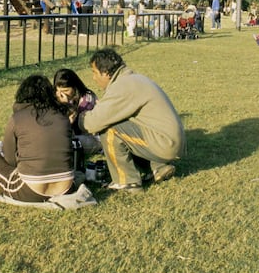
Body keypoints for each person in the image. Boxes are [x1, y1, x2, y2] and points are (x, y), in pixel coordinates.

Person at [78, 49, 185, 193]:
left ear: (106, 73)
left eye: (94, 72)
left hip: (164, 144)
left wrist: (79, 116)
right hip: (169, 141)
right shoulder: (133, 79)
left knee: (109, 128)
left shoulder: (123, 86)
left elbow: (92, 123)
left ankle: (126, 182)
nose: (93, 78)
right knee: (124, 127)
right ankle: (156, 167)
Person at [0, 74, 74, 202]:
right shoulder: (62, 118)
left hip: (28, 190)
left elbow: (10, 161)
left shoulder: (17, 118)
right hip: (66, 188)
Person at [53, 68, 101, 154]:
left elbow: (81, 127)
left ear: (75, 87)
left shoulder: (86, 99)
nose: (62, 94)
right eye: (58, 91)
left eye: (66, 91)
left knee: (68, 143)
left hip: (90, 136)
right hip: (69, 134)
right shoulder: (56, 97)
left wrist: (66, 106)